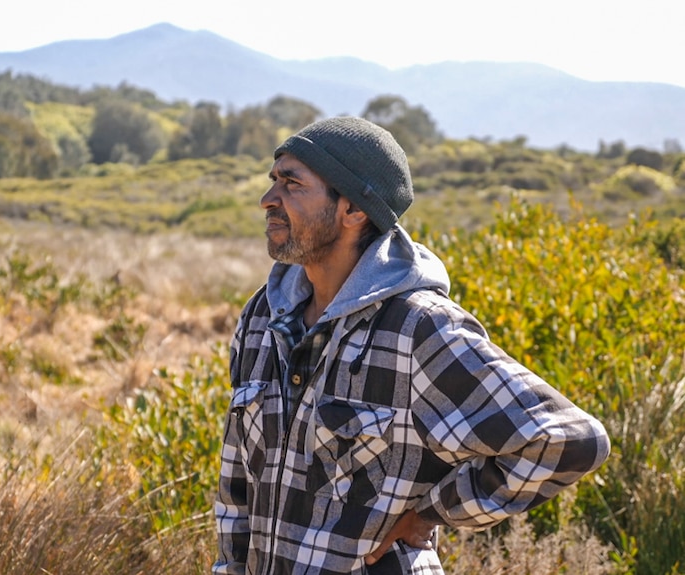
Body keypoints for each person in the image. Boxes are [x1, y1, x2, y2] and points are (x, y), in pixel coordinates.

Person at [213, 116, 611, 574]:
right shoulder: (262, 316)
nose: (268, 200)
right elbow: (237, 486)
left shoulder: (416, 328)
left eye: (292, 184)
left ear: (354, 210)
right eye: (273, 181)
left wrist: (433, 513)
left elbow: (567, 439)